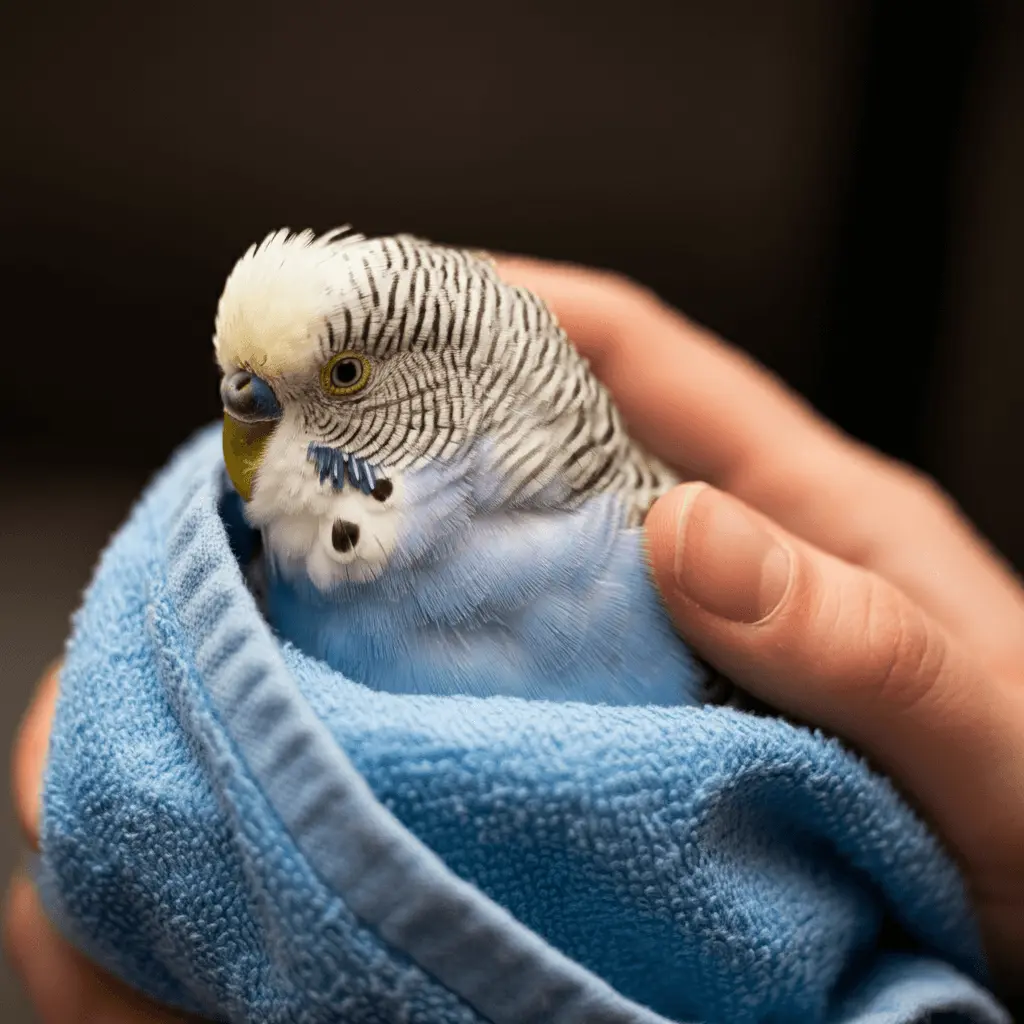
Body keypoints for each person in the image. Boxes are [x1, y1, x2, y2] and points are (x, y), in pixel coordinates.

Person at [6, 257, 1024, 1022]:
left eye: (348, 373)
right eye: (245, 385)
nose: (250, 418)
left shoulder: (649, 549)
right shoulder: (286, 568)